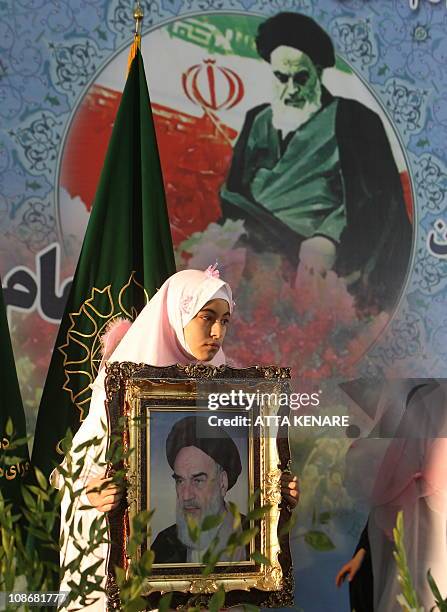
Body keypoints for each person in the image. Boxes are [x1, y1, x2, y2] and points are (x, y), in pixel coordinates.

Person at [52, 268, 299, 611]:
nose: (217, 333)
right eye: (207, 318)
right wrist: (93, 494)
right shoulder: (123, 389)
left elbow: (264, 468)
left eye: (225, 321)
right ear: (178, 315)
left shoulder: (233, 391)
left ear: (224, 480)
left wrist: (276, 492)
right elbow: (72, 476)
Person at [220, 12, 412, 309]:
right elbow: (234, 193)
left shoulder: (355, 120)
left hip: (321, 253)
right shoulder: (257, 118)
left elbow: (380, 201)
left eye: (301, 77)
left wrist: (328, 238)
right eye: (281, 78)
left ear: (319, 72)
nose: (292, 89)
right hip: (256, 240)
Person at [335, 380, 447, 611]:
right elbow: (380, 516)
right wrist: (362, 554)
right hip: (410, 560)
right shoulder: (402, 479)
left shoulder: (412, 478)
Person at [152, 415, 247, 563]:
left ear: (222, 482)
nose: (186, 496)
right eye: (180, 481)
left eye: (197, 480)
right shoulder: (164, 544)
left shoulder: (256, 537)